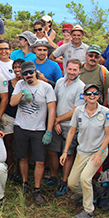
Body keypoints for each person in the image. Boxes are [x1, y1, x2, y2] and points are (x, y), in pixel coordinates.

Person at [61, 84, 109, 218]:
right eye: (89, 93)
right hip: (82, 151)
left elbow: (108, 135)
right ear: (84, 96)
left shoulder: (105, 112)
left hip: (98, 151)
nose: (92, 96)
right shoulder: (78, 111)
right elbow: (72, 131)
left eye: (95, 93)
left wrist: (100, 152)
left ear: (99, 96)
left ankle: (88, 210)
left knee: (85, 178)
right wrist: (65, 151)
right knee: (72, 183)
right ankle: (92, 192)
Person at [9, 61, 57, 206]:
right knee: (22, 158)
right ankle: (25, 182)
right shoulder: (20, 85)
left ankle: (37, 188)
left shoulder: (46, 87)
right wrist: (22, 93)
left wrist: (49, 131)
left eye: (30, 72)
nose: (28, 75)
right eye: (25, 73)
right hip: (21, 126)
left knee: (40, 160)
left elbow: (52, 110)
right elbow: (12, 102)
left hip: (38, 128)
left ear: (35, 72)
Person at [46, 59, 86, 197]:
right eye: (70, 69)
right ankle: (53, 177)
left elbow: (76, 109)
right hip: (57, 123)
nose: (72, 72)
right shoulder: (59, 82)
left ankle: (64, 182)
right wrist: (55, 121)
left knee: (68, 154)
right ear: (65, 69)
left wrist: (58, 119)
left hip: (71, 126)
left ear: (80, 70)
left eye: (75, 70)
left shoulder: (81, 87)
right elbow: (54, 101)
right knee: (52, 151)